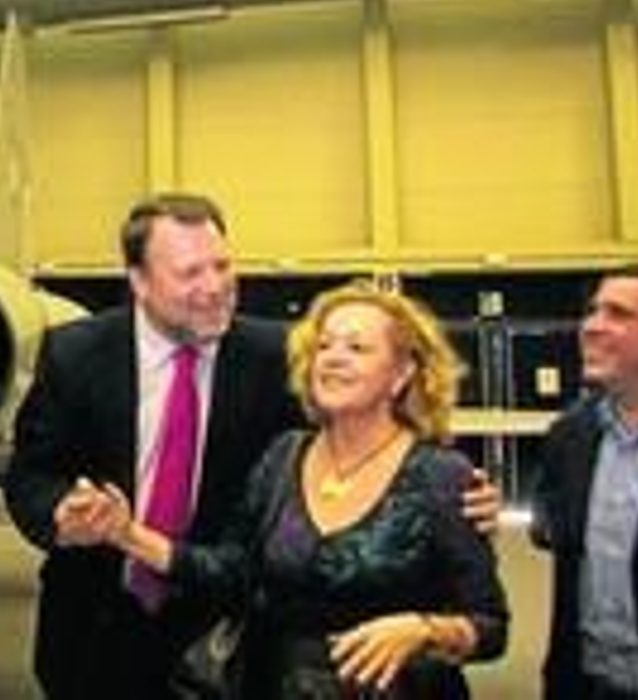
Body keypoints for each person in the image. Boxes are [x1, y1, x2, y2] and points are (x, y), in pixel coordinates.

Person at [4, 193, 501, 699]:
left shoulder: (278, 357)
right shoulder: (74, 354)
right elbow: (30, 477)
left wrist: (464, 497)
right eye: (190, 272)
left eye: (222, 265)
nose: (215, 287)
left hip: (228, 643)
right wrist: (62, 513)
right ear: (140, 282)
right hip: (95, 629)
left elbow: (370, 436)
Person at [116, 281, 509, 698]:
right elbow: (235, 570)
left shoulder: (442, 476)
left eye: (357, 348)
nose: (334, 358)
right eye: (324, 346)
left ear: (402, 373)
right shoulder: (284, 455)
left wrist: (423, 631)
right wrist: (128, 534)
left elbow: (491, 626)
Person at [530, 267, 638, 700]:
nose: (591, 327)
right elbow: (550, 529)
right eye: (592, 312)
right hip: (586, 684)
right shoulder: (570, 436)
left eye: (618, 314)